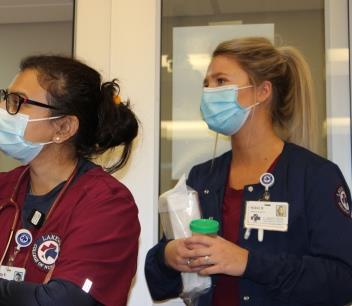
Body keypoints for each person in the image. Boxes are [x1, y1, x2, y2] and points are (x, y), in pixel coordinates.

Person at [145, 37, 352, 306]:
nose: (209, 92)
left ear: (262, 91)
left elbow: (342, 280)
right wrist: (168, 256)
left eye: (220, 81)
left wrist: (247, 263)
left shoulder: (315, 176)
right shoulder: (202, 177)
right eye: (206, 84)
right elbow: (158, 281)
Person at [0, 55, 140, 306]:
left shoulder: (107, 203)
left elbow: (63, 302)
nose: (2, 109)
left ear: (63, 128)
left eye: (17, 102)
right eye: (5, 97)